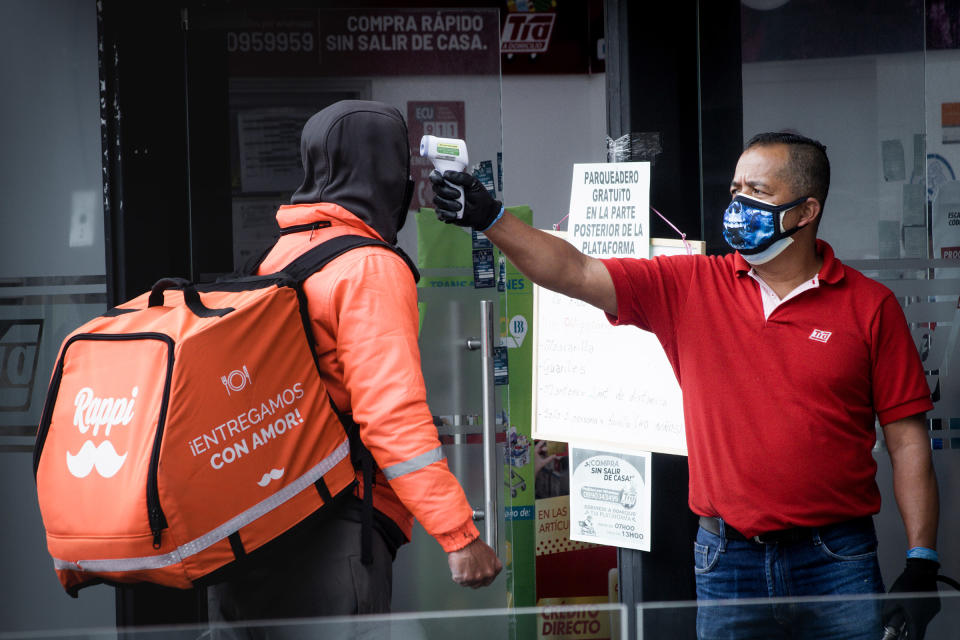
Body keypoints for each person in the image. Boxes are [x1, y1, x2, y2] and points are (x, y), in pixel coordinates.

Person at [430, 132, 940, 639]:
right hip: (727, 559)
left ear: (805, 212)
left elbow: (908, 441)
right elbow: (575, 270)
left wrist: (921, 558)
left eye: (758, 192)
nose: (739, 204)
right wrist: (491, 218)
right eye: (736, 189)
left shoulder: (870, 307)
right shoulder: (693, 285)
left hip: (837, 559)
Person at [207, 100, 502, 633]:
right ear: (384, 171)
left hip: (253, 527)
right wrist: (460, 535)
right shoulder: (368, 267)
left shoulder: (272, 257)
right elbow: (391, 416)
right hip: (331, 530)